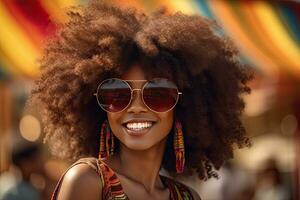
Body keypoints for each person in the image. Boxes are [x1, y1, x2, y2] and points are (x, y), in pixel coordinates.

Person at [28, 1, 253, 199]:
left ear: (184, 107)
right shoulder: (87, 182)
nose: (136, 107)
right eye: (118, 94)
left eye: (157, 94)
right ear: (99, 107)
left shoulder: (187, 197)